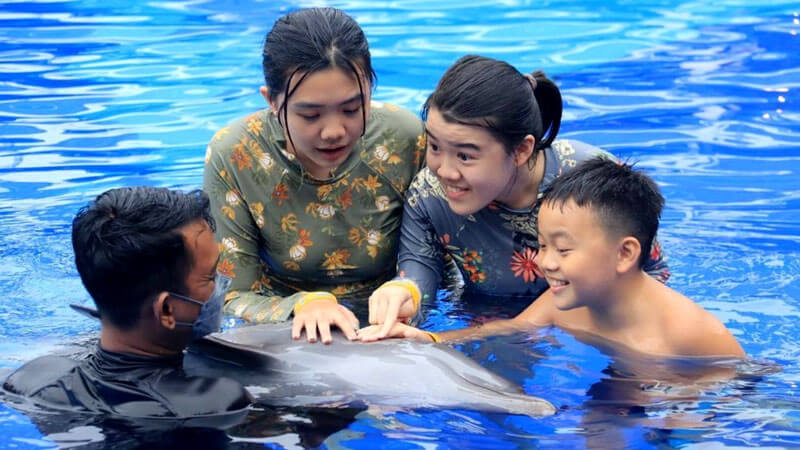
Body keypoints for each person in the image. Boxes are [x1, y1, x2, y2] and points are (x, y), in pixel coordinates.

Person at [361, 55, 670, 338]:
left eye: (466, 156)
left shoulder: (590, 180)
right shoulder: (430, 196)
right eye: (435, 147)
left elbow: (653, 274)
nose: (444, 171)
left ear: (522, 150)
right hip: (487, 325)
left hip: (589, 329)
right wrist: (403, 295)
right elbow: (419, 283)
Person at [359, 157, 745, 358]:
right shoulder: (566, 304)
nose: (546, 263)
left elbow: (738, 390)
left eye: (562, 249)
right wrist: (428, 337)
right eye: (541, 246)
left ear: (625, 253)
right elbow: (507, 330)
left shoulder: (691, 334)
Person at [203, 7, 424, 344]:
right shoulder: (236, 154)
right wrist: (303, 305)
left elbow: (438, 258)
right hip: (291, 332)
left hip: (393, 324)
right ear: (272, 102)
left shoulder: (405, 140)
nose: (334, 131)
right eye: (310, 115)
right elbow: (229, 297)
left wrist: (411, 292)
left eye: (352, 109)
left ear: (369, 92)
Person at [2, 187, 252, 423]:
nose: (221, 284)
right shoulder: (217, 401)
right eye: (210, 277)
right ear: (167, 311)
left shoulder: (33, 379)